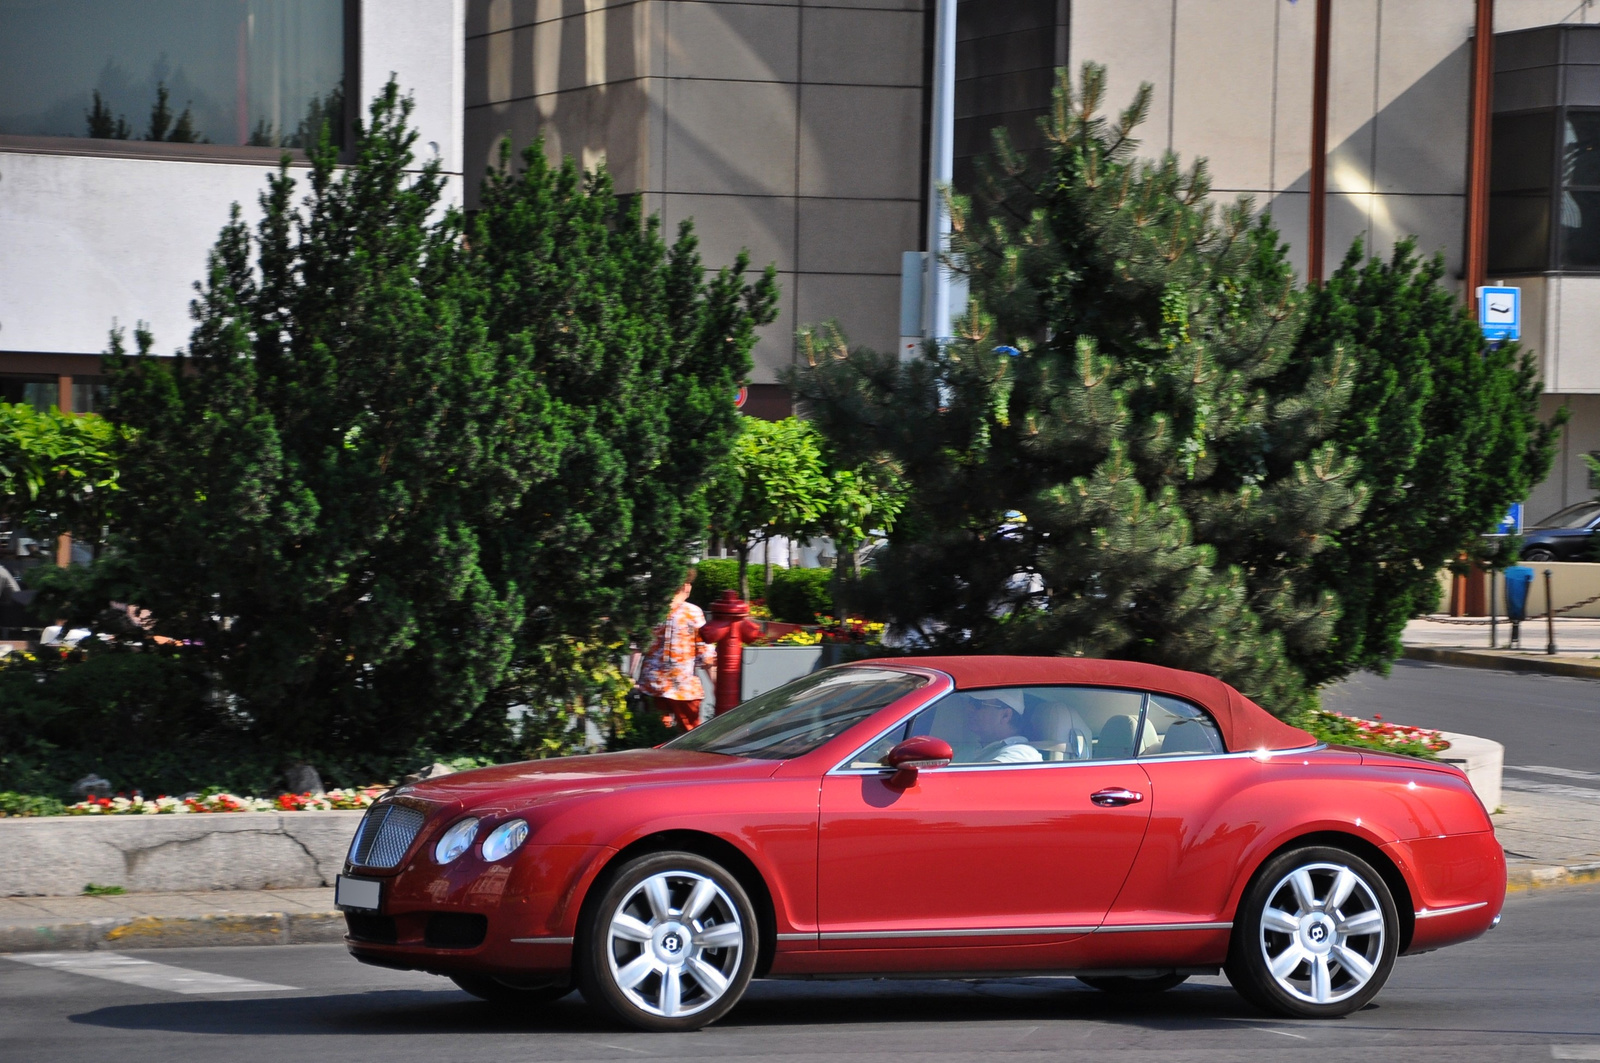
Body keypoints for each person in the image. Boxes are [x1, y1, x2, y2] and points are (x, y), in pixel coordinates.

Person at [637, 569, 718, 730]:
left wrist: (631, 677)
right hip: (682, 686)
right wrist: (716, 684)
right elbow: (705, 652)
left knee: (656, 733)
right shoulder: (692, 612)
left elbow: (637, 646)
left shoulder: (650, 610)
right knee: (690, 736)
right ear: (686, 586)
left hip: (652, 683)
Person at [963, 693, 1042, 763]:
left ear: (1005, 716)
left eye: (977, 704)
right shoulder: (970, 750)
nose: (969, 708)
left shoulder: (1021, 753)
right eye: (970, 702)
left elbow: (981, 778)